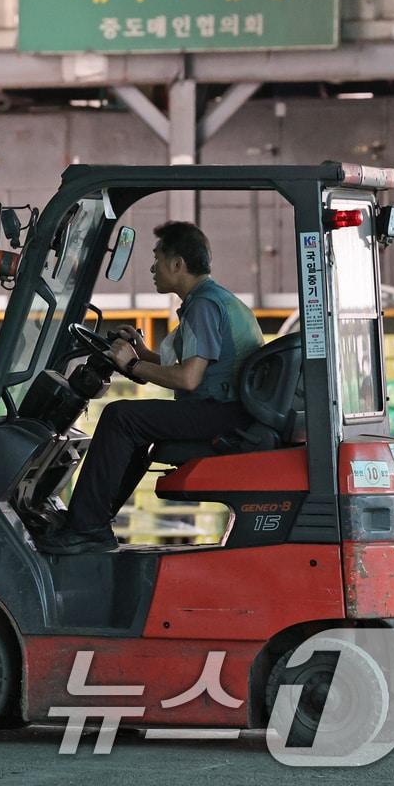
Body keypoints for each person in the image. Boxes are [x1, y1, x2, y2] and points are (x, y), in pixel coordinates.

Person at [38, 221, 265, 555]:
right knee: (136, 426)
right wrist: (142, 355)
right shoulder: (214, 300)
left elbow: (188, 379)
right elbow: (200, 368)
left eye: (157, 258)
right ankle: (92, 522)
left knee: (120, 417)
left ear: (177, 264)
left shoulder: (204, 305)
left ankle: (86, 527)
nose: (152, 267)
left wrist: (131, 365)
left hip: (223, 413)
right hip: (227, 408)